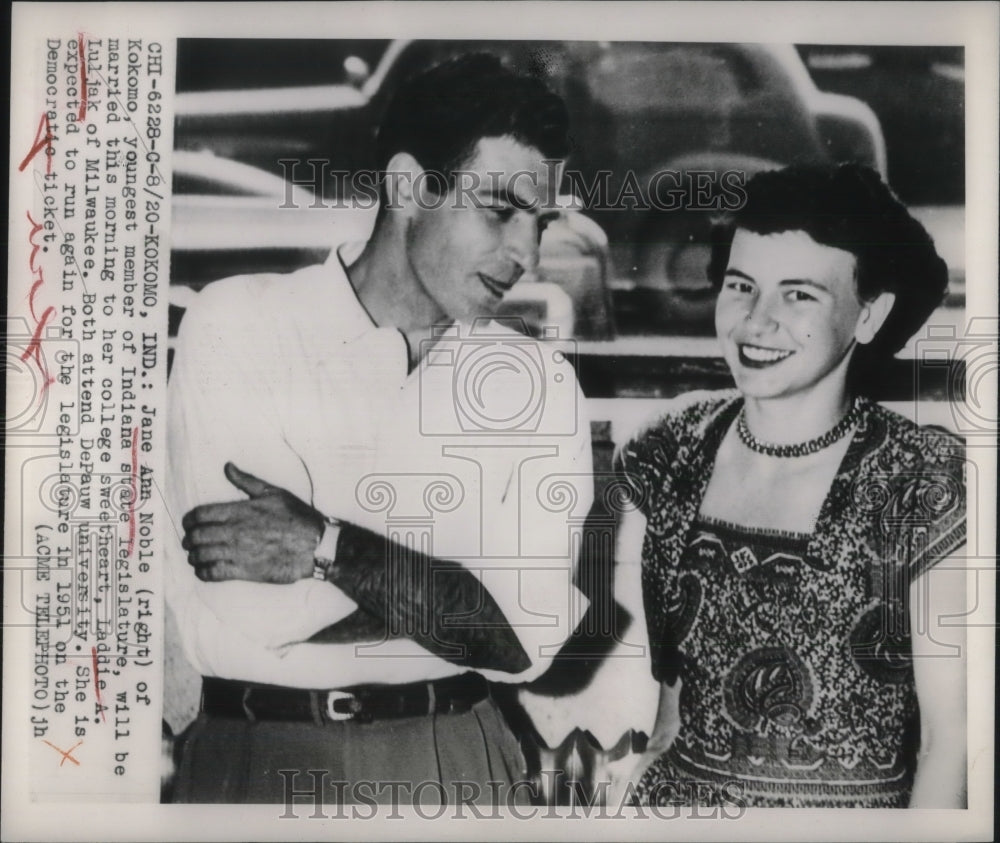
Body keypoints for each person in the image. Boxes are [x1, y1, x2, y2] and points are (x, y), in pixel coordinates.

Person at [165, 53, 593, 805]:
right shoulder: (237, 322)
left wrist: (322, 547)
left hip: (452, 754)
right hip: (259, 758)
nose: (526, 255)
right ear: (407, 186)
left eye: (541, 221)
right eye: (499, 211)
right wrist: (462, 582)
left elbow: (524, 638)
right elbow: (257, 609)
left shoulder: (539, 381)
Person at [617, 164, 966, 808]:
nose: (757, 320)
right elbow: (668, 717)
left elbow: (951, 743)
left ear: (870, 315)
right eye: (740, 285)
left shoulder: (923, 483)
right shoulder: (673, 448)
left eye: (799, 295)